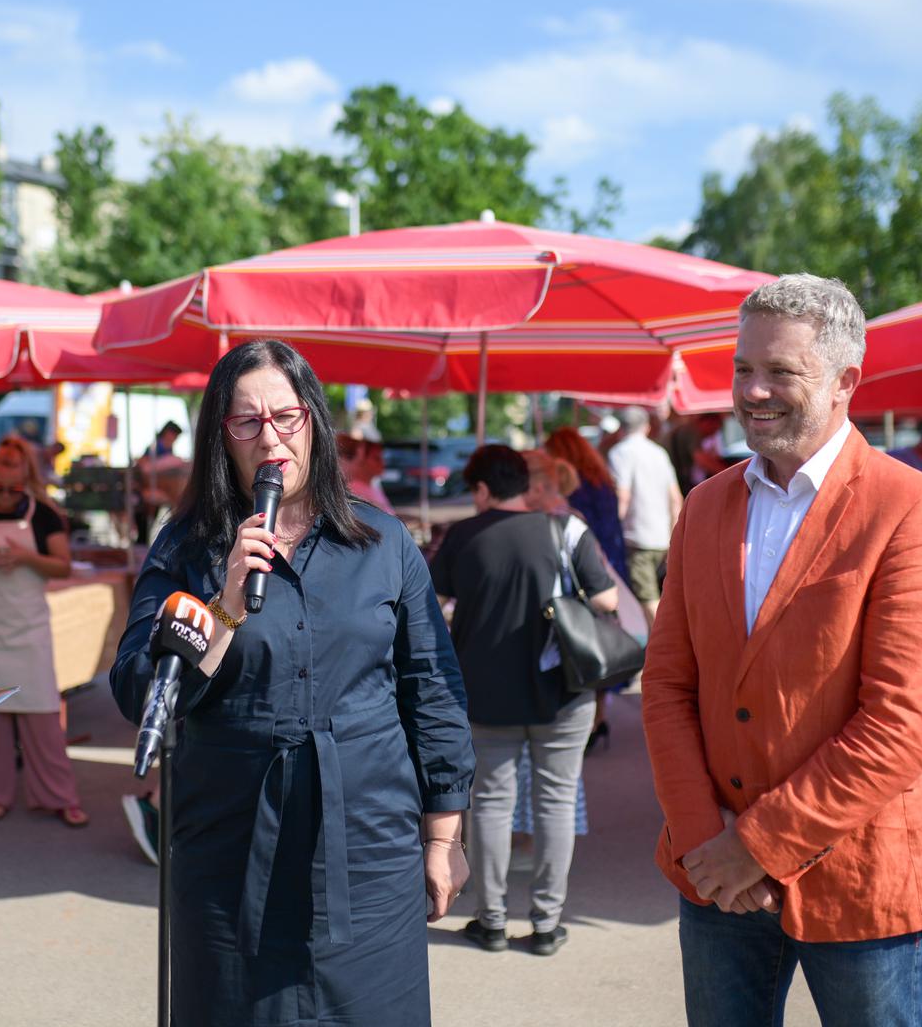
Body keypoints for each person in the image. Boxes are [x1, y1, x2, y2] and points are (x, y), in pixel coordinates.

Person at [641, 274, 922, 1027]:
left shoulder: (915, 511)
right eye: (741, 369)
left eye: (780, 372)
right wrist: (704, 839)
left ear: (844, 382)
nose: (753, 391)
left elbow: (897, 726)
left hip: (859, 875)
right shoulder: (705, 506)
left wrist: (752, 846)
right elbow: (665, 685)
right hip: (716, 869)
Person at [109, 338, 475, 1026]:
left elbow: (432, 691)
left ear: (314, 422)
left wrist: (442, 839)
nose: (269, 438)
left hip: (367, 849)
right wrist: (223, 605)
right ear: (222, 438)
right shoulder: (188, 547)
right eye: (246, 422)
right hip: (231, 852)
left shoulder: (383, 543)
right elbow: (138, 689)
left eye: (286, 416)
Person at [432, 445, 617, 958]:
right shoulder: (567, 530)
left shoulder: (462, 536)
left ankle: (490, 921)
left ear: (485, 490)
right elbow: (607, 600)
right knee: (555, 801)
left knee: (490, 802)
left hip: (485, 693)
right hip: (563, 693)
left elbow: (437, 602)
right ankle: (546, 924)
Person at [0, 435, 86, 826]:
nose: (5, 487)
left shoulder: (44, 515)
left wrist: (27, 557)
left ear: (25, 475)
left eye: (13, 471)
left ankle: (57, 796)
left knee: (43, 715)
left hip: (28, 626)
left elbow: (63, 565)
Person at [610, 405, 682, 625]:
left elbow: (622, 497)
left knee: (648, 598)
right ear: (647, 427)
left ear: (621, 429)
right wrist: (675, 535)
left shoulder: (620, 452)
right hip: (663, 537)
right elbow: (675, 498)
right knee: (662, 597)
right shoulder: (658, 452)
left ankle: (664, 648)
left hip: (636, 536)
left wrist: (611, 529)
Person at [545, 425, 627, 581]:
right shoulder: (598, 476)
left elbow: (579, 522)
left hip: (596, 553)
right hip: (611, 549)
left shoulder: (578, 485)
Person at [667, 412, 724, 497]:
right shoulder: (692, 431)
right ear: (708, 422)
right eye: (714, 429)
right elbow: (701, 459)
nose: (713, 433)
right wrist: (726, 472)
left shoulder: (689, 430)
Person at [337, 432, 396, 514]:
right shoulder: (355, 491)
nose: (382, 463)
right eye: (376, 458)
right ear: (360, 458)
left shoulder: (369, 488)